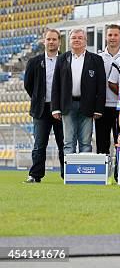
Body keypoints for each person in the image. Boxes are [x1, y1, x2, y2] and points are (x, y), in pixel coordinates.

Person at [51, 28, 106, 155]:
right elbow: (56, 85)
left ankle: (84, 173)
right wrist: (55, 108)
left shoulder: (96, 60)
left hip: (88, 106)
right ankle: (70, 175)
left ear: (85, 41)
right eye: (74, 38)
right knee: (68, 142)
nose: (77, 40)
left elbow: (101, 86)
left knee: (85, 143)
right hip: (67, 106)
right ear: (69, 41)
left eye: (80, 38)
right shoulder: (62, 59)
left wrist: (98, 109)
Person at [23, 29, 65, 183]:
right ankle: (35, 175)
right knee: (39, 144)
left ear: (59, 41)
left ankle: (66, 175)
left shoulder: (66, 60)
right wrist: (38, 99)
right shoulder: (34, 62)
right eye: (48, 39)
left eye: (54, 39)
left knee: (63, 144)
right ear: (44, 41)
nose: (51, 42)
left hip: (61, 109)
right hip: (41, 109)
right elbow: (28, 84)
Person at [96, 24, 120, 156]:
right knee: (102, 145)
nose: (113, 38)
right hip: (103, 107)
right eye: (110, 35)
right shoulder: (98, 58)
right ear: (106, 37)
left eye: (115, 35)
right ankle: (103, 176)